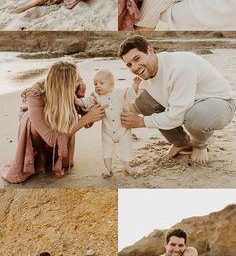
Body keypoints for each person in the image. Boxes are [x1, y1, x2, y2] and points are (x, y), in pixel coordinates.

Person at [118, 35, 235, 165]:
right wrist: (109, 109)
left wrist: (141, 122)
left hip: (220, 103)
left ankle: (199, 144)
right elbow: (137, 105)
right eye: (129, 64)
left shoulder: (178, 68)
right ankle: (181, 142)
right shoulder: (147, 72)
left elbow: (176, 116)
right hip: (189, 104)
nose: (134, 67)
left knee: (194, 116)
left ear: (150, 51)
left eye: (137, 58)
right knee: (143, 101)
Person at [1, 61, 105, 183]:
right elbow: (51, 138)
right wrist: (87, 118)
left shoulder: (76, 87)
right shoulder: (35, 93)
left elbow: (87, 123)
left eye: (80, 78)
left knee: (66, 163)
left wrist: (85, 104)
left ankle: (52, 156)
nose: (80, 82)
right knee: (32, 125)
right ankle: (41, 155)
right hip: (36, 122)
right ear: (65, 86)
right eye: (77, 80)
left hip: (60, 118)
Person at [75, 69, 141, 176]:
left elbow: (131, 93)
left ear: (112, 84)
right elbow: (87, 102)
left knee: (126, 147)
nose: (97, 86)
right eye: (95, 84)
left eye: (101, 83)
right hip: (107, 130)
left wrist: (136, 85)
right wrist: (77, 100)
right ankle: (108, 168)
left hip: (123, 129)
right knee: (107, 149)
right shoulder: (95, 96)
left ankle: (127, 166)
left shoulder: (120, 92)